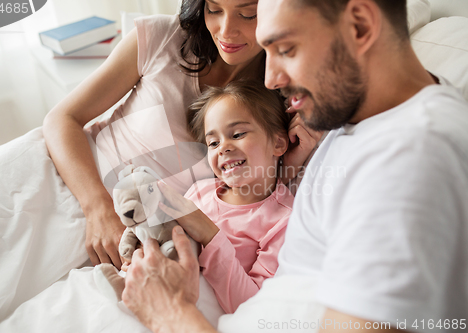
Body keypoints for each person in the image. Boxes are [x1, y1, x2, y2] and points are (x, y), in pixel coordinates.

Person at [121, 0, 468, 332]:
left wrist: (169, 314)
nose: (271, 79)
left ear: (359, 26)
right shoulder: (366, 119)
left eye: (285, 49)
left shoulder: (411, 159)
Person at [42, 0, 316, 271]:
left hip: (144, 235)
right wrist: (98, 208)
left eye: (248, 14)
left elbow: (253, 198)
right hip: (66, 176)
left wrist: (291, 163)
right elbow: (61, 119)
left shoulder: (285, 96)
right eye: (214, 10)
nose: (226, 30)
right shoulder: (162, 37)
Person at [151, 80, 294, 314]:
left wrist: (209, 234)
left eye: (237, 134)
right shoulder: (200, 191)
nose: (223, 148)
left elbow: (251, 307)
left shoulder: (283, 221)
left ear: (277, 143)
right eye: (213, 142)